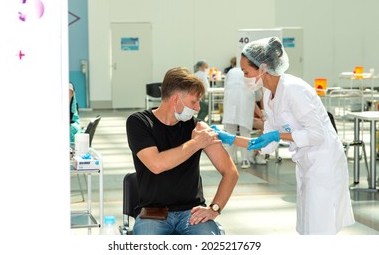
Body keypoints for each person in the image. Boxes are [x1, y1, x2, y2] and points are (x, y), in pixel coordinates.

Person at [212, 36, 355, 235]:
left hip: (324, 162)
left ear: (262, 68)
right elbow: (264, 144)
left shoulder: (294, 89)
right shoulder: (270, 96)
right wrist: (228, 138)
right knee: (307, 226)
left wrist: (277, 135)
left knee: (320, 228)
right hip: (307, 163)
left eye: (246, 72)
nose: (244, 77)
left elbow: (316, 134)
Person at [126, 67, 239, 235]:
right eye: (194, 102)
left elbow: (230, 172)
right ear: (176, 99)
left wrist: (214, 209)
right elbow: (157, 164)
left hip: (191, 212)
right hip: (153, 213)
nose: (198, 108)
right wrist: (196, 143)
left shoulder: (198, 128)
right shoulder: (139, 122)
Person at [222, 66, 266, 168]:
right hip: (245, 105)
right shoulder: (252, 72)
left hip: (230, 104)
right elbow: (258, 96)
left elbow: (225, 88)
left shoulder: (231, 72)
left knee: (230, 133)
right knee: (245, 133)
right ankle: (245, 160)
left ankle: (231, 159)